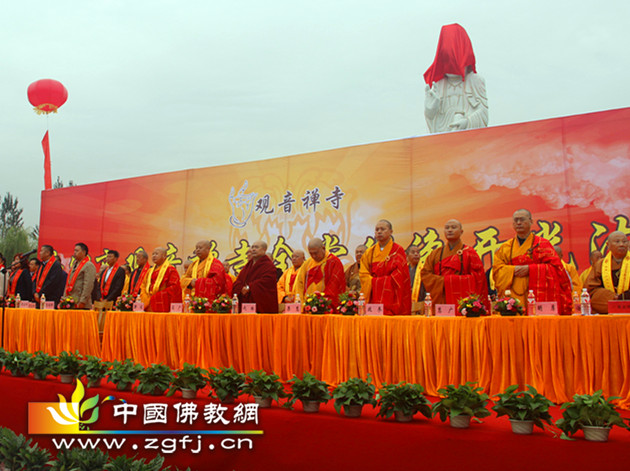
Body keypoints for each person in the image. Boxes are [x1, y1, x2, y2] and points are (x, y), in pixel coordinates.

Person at [492, 209, 572, 315]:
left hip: (536, 296)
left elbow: (556, 269)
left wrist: (530, 269)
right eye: (516, 220)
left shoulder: (542, 244)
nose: (519, 223)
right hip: (512, 297)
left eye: (522, 219)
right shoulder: (505, 247)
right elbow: (497, 270)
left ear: (531, 221)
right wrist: (513, 270)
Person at [423, 23, 488, 133]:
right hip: (444, 142)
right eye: (447, 59)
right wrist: (430, 111)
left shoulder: (475, 81)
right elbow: (433, 124)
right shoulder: (439, 85)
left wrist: (467, 123)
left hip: (469, 142)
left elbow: (484, 114)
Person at [421, 219, 488, 311]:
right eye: (447, 228)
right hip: (441, 300)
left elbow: (478, 278)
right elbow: (425, 274)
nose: (450, 230)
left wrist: (449, 281)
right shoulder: (435, 253)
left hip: (463, 303)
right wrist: (444, 281)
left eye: (453, 227)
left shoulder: (469, 253)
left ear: (461, 232)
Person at [359, 220, 411, 316]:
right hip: (373, 297)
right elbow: (363, 274)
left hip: (391, 299)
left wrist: (375, 282)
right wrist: (374, 282)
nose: (379, 232)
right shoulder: (369, 252)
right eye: (377, 229)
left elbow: (399, 277)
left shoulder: (398, 251)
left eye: (383, 229)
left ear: (391, 232)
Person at [585, 231, 630, 313]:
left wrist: (625, 297)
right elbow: (591, 290)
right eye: (617, 241)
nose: (621, 244)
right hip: (607, 308)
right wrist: (613, 298)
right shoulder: (600, 264)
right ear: (608, 245)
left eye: (624, 241)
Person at [294, 239, 346, 310]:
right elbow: (299, 283)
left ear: (323, 248)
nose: (314, 256)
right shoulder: (308, 263)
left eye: (316, 253)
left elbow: (334, 286)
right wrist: (301, 302)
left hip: (325, 307)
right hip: (307, 306)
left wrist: (322, 302)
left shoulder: (334, 262)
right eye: (311, 253)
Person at [233, 240, 278, 313]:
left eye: (256, 247)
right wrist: (241, 288)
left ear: (264, 250)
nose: (253, 249)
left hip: (260, 305)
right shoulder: (248, 265)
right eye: (252, 247)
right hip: (246, 304)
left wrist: (249, 287)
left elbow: (266, 282)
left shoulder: (269, 266)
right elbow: (239, 280)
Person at [141, 247, 182, 312]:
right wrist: (145, 297)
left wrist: (156, 297)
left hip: (161, 304)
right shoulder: (150, 271)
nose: (154, 256)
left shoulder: (171, 270)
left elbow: (174, 288)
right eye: (153, 254)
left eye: (156, 254)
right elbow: (143, 285)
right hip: (148, 304)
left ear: (164, 256)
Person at [65, 242, 96, 309]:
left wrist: (83, 301)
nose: (74, 253)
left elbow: (88, 285)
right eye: (74, 250)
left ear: (84, 252)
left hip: (81, 303)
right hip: (70, 301)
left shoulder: (88, 265)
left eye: (77, 251)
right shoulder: (74, 265)